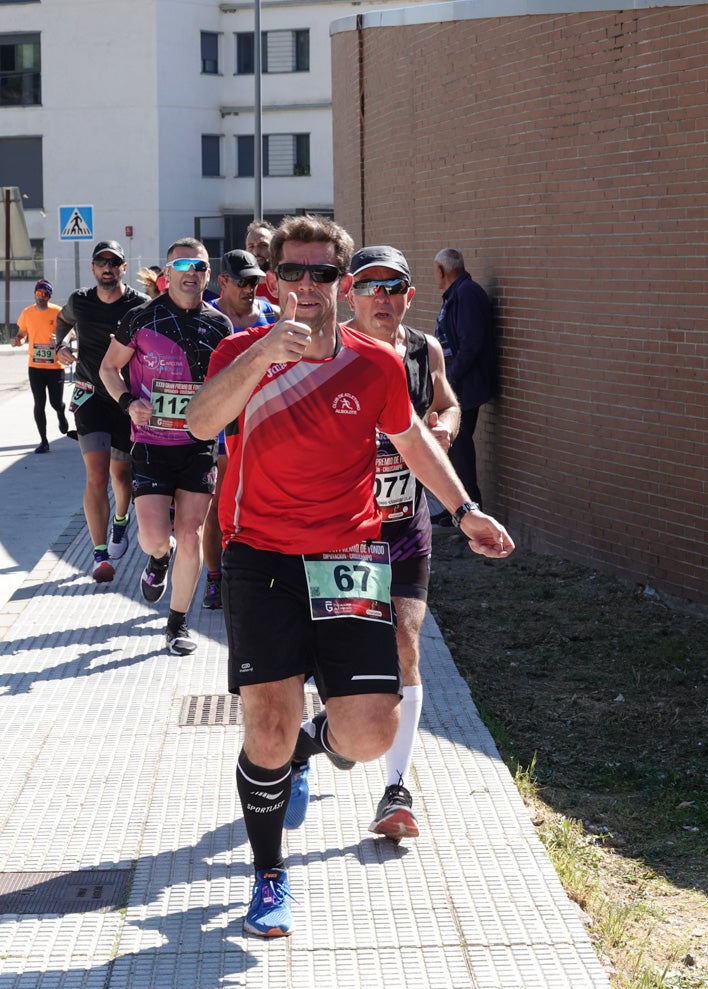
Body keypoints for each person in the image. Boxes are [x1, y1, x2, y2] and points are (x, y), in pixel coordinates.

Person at [186, 214, 514, 937]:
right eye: (293, 274)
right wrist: (263, 354)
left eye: (321, 273)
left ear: (340, 281)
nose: (307, 286)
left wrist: (464, 511)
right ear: (274, 283)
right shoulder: (241, 349)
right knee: (263, 728)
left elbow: (414, 439)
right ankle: (269, 875)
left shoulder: (374, 363)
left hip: (349, 559)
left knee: (367, 733)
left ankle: (308, 750)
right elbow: (203, 425)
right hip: (260, 555)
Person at [338, 244, 460, 840]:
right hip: (344, 532)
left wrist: (445, 428)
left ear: (410, 296)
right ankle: (307, 742)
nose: (382, 298)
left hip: (406, 523)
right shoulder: (329, 353)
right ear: (350, 294)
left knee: (405, 645)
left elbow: (450, 403)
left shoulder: (423, 350)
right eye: (370, 286)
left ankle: (395, 789)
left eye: (393, 288)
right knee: (336, 656)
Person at [99, 238, 232, 654]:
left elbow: (229, 384)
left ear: (208, 275)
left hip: (198, 444)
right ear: (167, 273)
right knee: (155, 538)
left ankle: (177, 624)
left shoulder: (220, 325)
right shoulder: (141, 318)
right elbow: (108, 367)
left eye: (200, 266)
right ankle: (159, 560)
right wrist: (127, 402)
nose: (192, 273)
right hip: (152, 443)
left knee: (190, 535)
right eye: (183, 265)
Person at [56, 241, 149, 582]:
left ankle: (121, 523)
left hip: (126, 399)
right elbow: (61, 320)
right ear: (93, 268)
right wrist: (60, 346)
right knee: (96, 474)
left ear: (124, 267)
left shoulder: (140, 304)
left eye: (115, 263)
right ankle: (99, 556)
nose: (108, 268)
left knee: (121, 477)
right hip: (90, 396)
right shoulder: (79, 300)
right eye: (102, 262)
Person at [201, 249, 277, 611]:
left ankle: (262, 575)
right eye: (243, 281)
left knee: (263, 499)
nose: (250, 288)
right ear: (224, 281)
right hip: (222, 420)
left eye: (255, 282)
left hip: (263, 420)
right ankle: (214, 578)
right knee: (221, 502)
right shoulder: (207, 315)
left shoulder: (270, 315)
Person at [433, 247, 499, 519]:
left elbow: (471, 342)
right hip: (457, 384)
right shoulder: (456, 294)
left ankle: (468, 511)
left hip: (464, 387)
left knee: (457, 445)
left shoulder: (467, 293)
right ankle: (456, 510)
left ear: (441, 271)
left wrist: (452, 377)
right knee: (452, 445)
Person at [12, 279, 68, 454]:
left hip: (55, 367)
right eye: (38, 294)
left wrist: (61, 340)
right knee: (39, 403)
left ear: (49, 296)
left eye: (44, 294)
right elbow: (21, 333)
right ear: (35, 294)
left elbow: (70, 332)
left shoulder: (57, 312)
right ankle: (44, 441)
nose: (41, 297)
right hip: (35, 366)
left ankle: (61, 412)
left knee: (55, 403)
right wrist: (18, 340)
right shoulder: (27, 313)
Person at [245, 219, 279, 306]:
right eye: (251, 246)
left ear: (274, 249)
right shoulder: (233, 288)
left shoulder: (286, 286)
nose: (256, 252)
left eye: (263, 245)